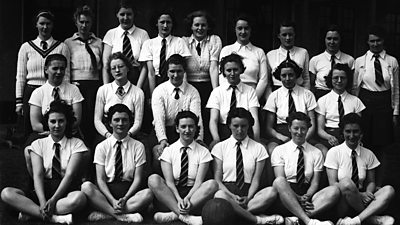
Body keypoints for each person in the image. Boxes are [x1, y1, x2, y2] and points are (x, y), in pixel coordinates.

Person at [1, 100, 87, 224]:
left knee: (80, 198)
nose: (57, 125)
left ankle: (31, 212)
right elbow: (38, 175)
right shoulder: (38, 144)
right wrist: (42, 202)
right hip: (42, 190)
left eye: (61, 121)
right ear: (47, 122)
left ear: (67, 122)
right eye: (53, 121)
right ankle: (55, 218)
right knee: (6, 193)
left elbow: (70, 175)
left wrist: (53, 200)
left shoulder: (76, 144)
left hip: (64, 191)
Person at [81, 104, 153, 222]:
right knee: (86, 187)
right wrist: (112, 200)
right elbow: (100, 179)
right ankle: (119, 215)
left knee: (148, 194)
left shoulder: (138, 146)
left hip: (129, 193)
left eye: (125, 120)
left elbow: (138, 179)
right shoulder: (102, 147)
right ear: (110, 123)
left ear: (130, 123)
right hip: (107, 192)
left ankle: (107, 213)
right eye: (116, 120)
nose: (121, 123)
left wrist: (125, 198)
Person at [212, 108, 283, 225]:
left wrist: (249, 197)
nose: (240, 130)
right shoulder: (220, 147)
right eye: (235, 126)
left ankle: (237, 213)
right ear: (229, 125)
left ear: (249, 126)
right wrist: (232, 196)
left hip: (249, 194)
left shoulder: (258, 148)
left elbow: (256, 179)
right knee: (219, 195)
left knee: (271, 192)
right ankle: (256, 219)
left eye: (244, 126)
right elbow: (217, 180)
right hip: (228, 192)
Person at [148, 110, 218, 225]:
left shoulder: (203, 152)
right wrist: (179, 199)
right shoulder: (169, 151)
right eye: (183, 126)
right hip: (171, 194)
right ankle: (184, 217)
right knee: (153, 179)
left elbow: (199, 182)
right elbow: (169, 182)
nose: (187, 130)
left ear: (196, 128)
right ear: (177, 129)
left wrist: (187, 198)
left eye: (191, 126)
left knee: (212, 184)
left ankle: (173, 215)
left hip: (194, 195)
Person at [325, 113, 395, 225]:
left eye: (356, 131)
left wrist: (368, 192)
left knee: (389, 190)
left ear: (361, 133)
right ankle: (370, 218)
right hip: (343, 202)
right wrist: (359, 194)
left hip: (363, 199)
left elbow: (371, 181)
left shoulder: (368, 154)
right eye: (348, 131)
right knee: (346, 183)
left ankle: (355, 221)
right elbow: (333, 184)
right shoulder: (334, 152)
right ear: (342, 133)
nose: (352, 135)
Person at [272, 112, 339, 225]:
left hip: (307, 194)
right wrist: (296, 198)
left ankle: (296, 218)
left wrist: (306, 196)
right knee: (279, 181)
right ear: (289, 128)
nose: (299, 132)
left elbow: (315, 183)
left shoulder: (316, 152)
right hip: (287, 193)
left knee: (334, 190)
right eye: (296, 128)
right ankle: (308, 221)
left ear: (308, 129)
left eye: (303, 128)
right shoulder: (279, 150)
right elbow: (280, 178)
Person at [25, 54, 84, 178]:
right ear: (46, 69)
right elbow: (35, 124)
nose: (59, 72)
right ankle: (36, 184)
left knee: (84, 151)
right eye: (55, 68)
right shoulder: (38, 92)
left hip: (69, 132)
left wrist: (62, 132)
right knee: (29, 151)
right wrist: (52, 133)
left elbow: (77, 119)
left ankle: (77, 182)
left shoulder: (73, 90)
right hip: (45, 133)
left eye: (62, 69)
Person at [15, 10, 70, 136]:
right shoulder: (26, 47)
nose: (45, 27)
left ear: (52, 25)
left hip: (53, 91)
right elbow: (21, 76)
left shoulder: (62, 47)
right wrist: (19, 101)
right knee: (30, 130)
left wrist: (65, 95)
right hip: (30, 91)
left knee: (52, 127)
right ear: (36, 25)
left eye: (48, 23)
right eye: (42, 23)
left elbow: (66, 75)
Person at [352, 25, 399, 160]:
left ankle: (378, 180)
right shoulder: (360, 61)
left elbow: (396, 89)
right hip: (365, 102)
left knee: (382, 145)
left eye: (378, 40)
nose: (375, 44)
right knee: (364, 142)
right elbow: (355, 87)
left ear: (383, 41)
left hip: (384, 104)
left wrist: (395, 112)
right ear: (367, 42)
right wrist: (355, 109)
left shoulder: (392, 61)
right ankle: (365, 178)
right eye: (372, 41)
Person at [151, 54, 203, 173]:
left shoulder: (193, 91)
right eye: (172, 71)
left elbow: (197, 119)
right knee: (158, 154)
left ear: (184, 71)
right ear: (167, 72)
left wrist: (198, 139)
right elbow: (159, 119)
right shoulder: (159, 91)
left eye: (179, 71)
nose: (176, 75)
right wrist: (163, 140)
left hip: (185, 131)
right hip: (164, 132)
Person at [182, 10, 222, 144]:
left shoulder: (214, 40)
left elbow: (213, 66)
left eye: (203, 25)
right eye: (196, 25)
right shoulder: (184, 42)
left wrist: (216, 92)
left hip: (208, 85)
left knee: (208, 117)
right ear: (191, 26)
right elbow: (184, 69)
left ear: (208, 26)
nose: (200, 28)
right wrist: (185, 89)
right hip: (189, 84)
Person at [65, 5, 103, 145]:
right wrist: (69, 84)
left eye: (87, 22)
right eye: (81, 22)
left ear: (91, 23)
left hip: (94, 85)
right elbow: (66, 68)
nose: (84, 25)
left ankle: (92, 149)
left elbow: (103, 65)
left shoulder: (99, 42)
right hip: (77, 85)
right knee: (78, 118)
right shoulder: (68, 43)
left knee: (93, 118)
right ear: (76, 22)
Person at [263, 57, 316, 155]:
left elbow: (312, 124)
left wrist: (303, 138)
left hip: (303, 132)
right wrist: (281, 137)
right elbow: (268, 128)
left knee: (319, 150)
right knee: (271, 150)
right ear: (280, 77)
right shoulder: (274, 96)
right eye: (284, 75)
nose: (287, 79)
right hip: (282, 133)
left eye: (291, 75)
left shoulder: (307, 94)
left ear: (296, 75)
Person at [207, 53, 260, 150]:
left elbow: (254, 118)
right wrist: (216, 139)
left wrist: (256, 140)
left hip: (244, 132)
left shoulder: (250, 91)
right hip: (224, 132)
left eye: (235, 69)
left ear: (241, 70)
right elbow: (213, 120)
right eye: (228, 70)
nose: (232, 73)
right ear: (223, 72)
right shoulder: (217, 92)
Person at [94, 52, 144, 144]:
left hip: (130, 133)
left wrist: (127, 136)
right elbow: (97, 120)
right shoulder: (103, 90)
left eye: (121, 66)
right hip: (107, 133)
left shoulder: (138, 92)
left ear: (128, 68)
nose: (117, 70)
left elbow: (138, 121)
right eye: (113, 68)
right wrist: (108, 136)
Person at [315, 63, 365, 155]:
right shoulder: (323, 101)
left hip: (350, 135)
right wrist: (329, 137)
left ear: (348, 79)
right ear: (331, 79)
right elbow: (320, 130)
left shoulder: (356, 101)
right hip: (330, 136)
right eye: (335, 78)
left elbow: (359, 127)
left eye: (343, 78)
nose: (339, 81)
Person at [139, 10, 191, 96]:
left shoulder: (179, 42)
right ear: (156, 23)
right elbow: (151, 73)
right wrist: (153, 95)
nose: (165, 25)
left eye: (168, 22)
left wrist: (183, 93)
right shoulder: (149, 44)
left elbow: (183, 70)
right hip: (156, 81)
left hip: (174, 81)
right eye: (162, 22)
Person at [219, 14, 268, 102]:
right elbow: (222, 76)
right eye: (240, 28)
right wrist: (228, 96)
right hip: (230, 96)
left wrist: (253, 99)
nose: (243, 31)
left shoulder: (259, 52)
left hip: (253, 95)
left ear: (251, 30)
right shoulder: (226, 50)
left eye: (246, 28)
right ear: (235, 29)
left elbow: (263, 79)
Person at [102, 0, 149, 86]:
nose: (126, 18)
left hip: (137, 79)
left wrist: (138, 88)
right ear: (117, 15)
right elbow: (106, 65)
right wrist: (106, 88)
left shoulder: (143, 34)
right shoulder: (111, 34)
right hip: (115, 79)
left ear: (134, 15)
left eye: (129, 14)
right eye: (122, 14)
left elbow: (145, 66)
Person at [309, 25, 354, 100]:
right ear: (324, 40)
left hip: (342, 96)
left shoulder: (349, 60)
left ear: (340, 40)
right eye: (329, 39)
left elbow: (351, 84)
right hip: (321, 95)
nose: (332, 42)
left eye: (335, 39)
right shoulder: (315, 60)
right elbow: (311, 84)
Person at [267, 21, 309, 95]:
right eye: (284, 35)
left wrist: (306, 96)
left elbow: (306, 78)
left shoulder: (303, 52)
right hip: (277, 92)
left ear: (294, 35)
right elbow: (267, 82)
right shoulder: (270, 55)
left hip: (299, 92)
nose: (288, 38)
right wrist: (270, 99)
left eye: (290, 34)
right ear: (278, 36)